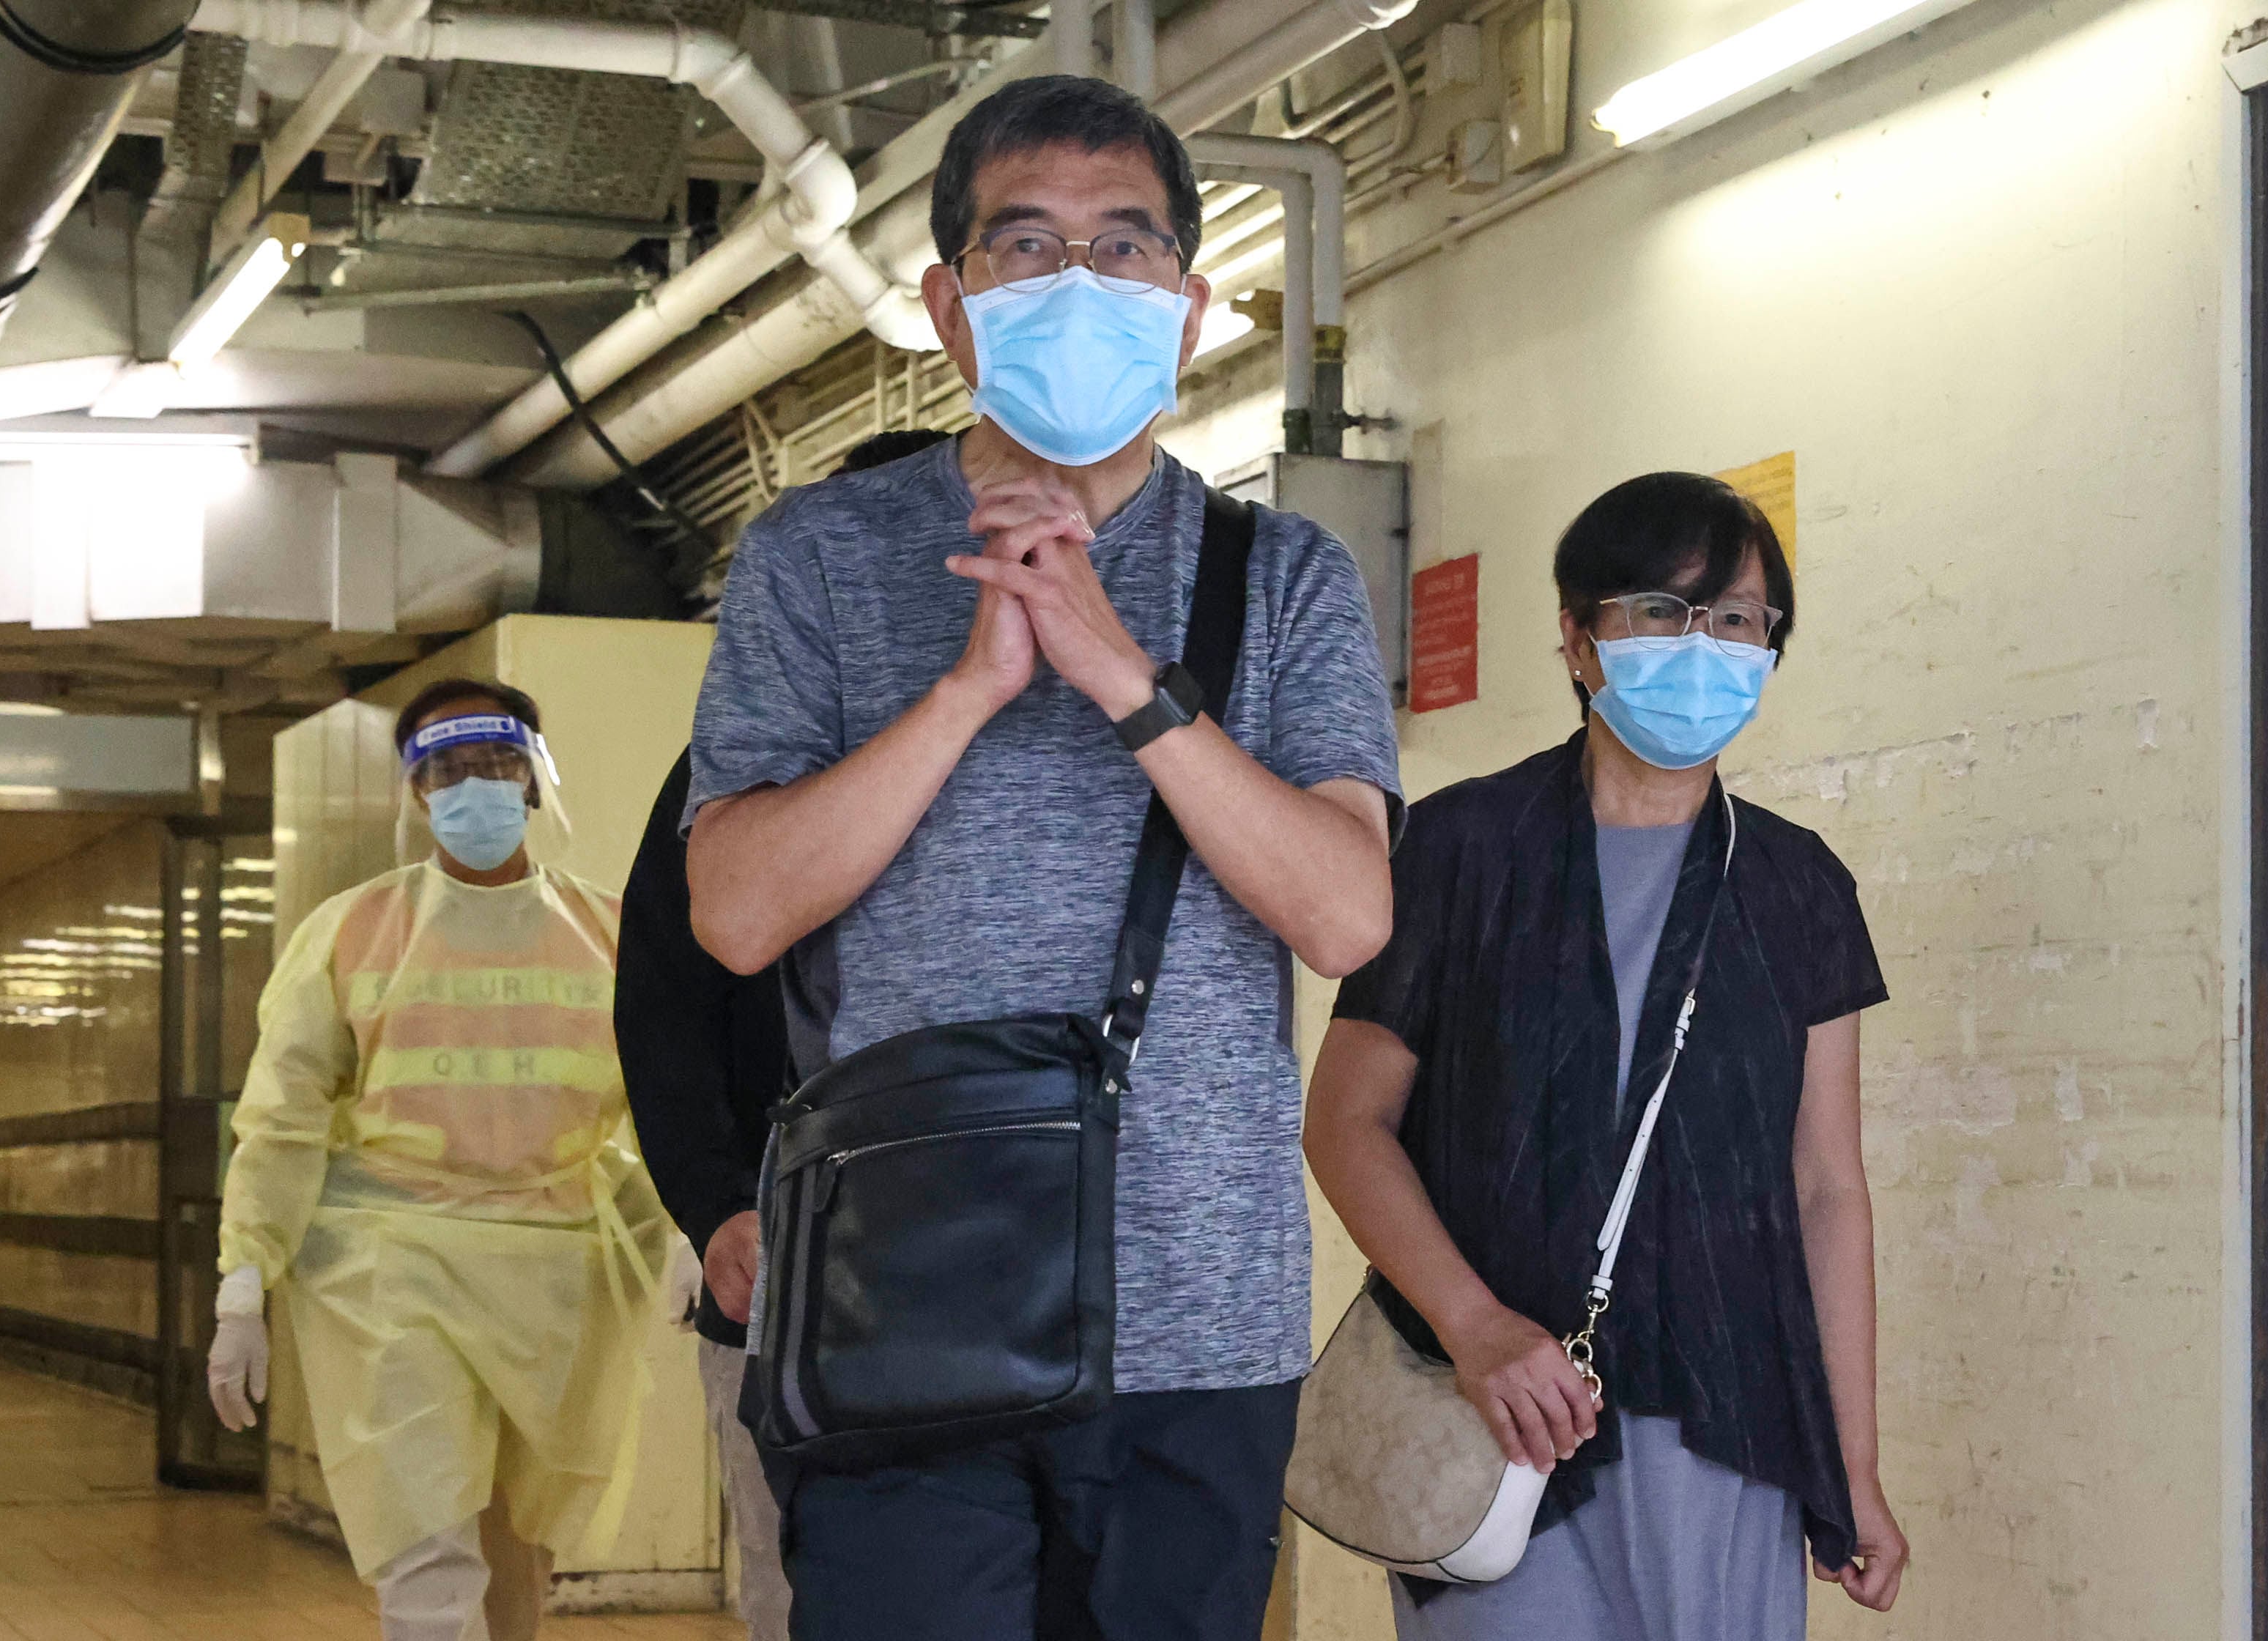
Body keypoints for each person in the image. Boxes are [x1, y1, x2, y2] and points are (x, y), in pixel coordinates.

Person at [681, 73, 1404, 1641]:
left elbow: (1344, 913)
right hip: (901, 1294)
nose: (1081, 284)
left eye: (1125, 248)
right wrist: (963, 694)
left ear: (1191, 304)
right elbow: (733, 914)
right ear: (948, 306)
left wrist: (1124, 680)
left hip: (1199, 1316)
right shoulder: (814, 558)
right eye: (1027, 247)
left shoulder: (1280, 577)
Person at [1305, 473, 1911, 1640]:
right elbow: (1347, 1122)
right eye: (1660, 611)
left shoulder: (1796, 887)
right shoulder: (1459, 850)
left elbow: (1827, 1186)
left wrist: (1856, 1466)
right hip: (1494, 1422)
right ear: (1580, 642)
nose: (1704, 645)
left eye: (1737, 619)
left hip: (1727, 1422)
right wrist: (1476, 1326)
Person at [207, 678, 678, 1641]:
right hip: (392, 1266)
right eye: (447, 770)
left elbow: (672, 1106)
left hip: (561, 1278)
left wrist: (690, 1232)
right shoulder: (349, 933)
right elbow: (284, 1112)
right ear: (416, 793)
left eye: (497, 766)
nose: (475, 789)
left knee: (521, 1544)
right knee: (425, 1539)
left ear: (537, 781)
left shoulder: (616, 937)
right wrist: (244, 1276)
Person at [615, 426, 952, 1641]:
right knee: (800, 1588)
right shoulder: (723, 784)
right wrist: (713, 1207)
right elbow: (663, 1011)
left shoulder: (1056, 757)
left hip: (1019, 1269)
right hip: (788, 1270)